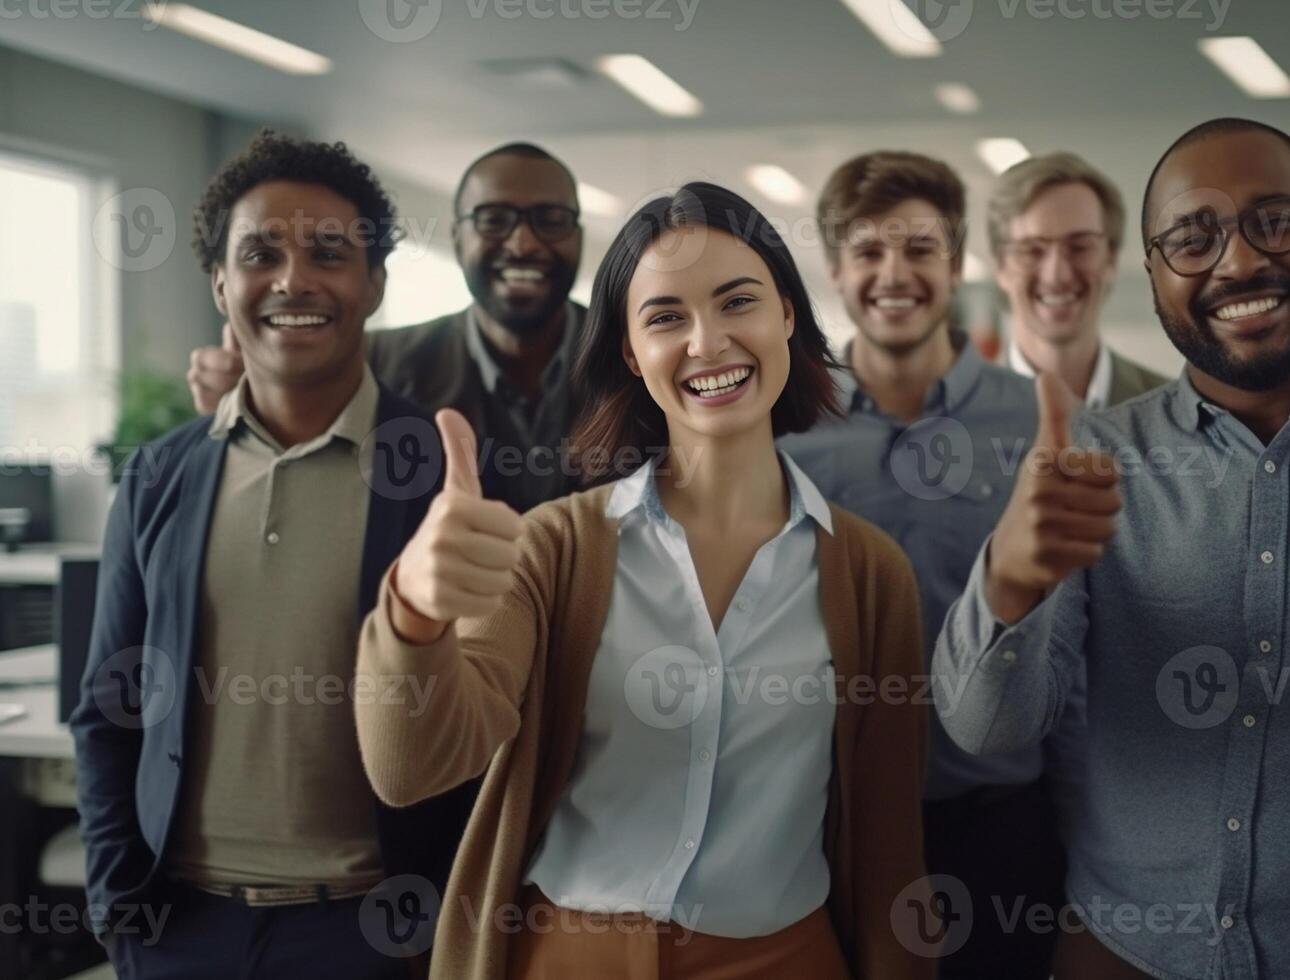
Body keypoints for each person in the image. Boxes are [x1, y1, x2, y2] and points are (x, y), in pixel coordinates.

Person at [933, 116, 1290, 979]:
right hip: (1116, 956)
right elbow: (986, 727)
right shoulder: (1094, 460)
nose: (1239, 262)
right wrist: (1009, 584)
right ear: (1149, 275)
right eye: (1193, 238)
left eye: (1276, 220)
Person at [354, 182, 932, 979]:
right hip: (567, 955)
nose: (708, 342)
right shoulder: (554, 547)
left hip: (785, 957)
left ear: (788, 317)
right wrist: (414, 617)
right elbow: (411, 768)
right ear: (630, 350)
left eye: (739, 303)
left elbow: (889, 837)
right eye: (666, 318)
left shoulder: (870, 575)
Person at [71, 130, 463, 978]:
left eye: (330, 252)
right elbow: (109, 706)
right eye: (260, 254)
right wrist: (116, 905)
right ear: (221, 282)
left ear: (374, 285)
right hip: (181, 928)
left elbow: (494, 725)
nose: (294, 280)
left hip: (375, 933)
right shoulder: (158, 476)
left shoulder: (444, 472)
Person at [780, 149, 1071, 978]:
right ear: (836, 270)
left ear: (955, 263)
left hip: (1001, 828)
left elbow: (1082, 642)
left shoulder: (1040, 423)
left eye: (919, 249)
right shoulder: (785, 425)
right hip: (826, 823)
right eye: (869, 251)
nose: (894, 274)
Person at [187, 142, 586, 512]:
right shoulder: (367, 362)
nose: (523, 244)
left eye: (551, 221)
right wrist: (254, 401)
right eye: (493, 220)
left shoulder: (633, 362)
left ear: (579, 238)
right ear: (457, 239)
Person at [990, 151, 1170, 408]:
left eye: (1080, 247)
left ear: (1111, 260)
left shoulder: (1178, 417)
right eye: (1032, 250)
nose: (1057, 275)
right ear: (1000, 266)